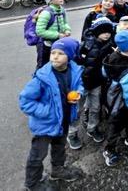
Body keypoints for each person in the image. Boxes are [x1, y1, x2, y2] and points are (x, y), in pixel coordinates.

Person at [19, 37, 83, 190]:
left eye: (60, 53)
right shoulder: (42, 77)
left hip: (64, 119)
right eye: (53, 52)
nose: (54, 56)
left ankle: (58, 170)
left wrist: (78, 93)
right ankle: (32, 184)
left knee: (59, 147)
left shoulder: (75, 70)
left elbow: (80, 85)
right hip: (45, 124)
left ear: (70, 56)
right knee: (37, 155)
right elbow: (25, 101)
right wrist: (48, 111)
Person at [102, 30, 128, 167]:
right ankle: (109, 149)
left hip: (111, 96)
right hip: (123, 103)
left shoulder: (112, 56)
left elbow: (104, 72)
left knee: (117, 122)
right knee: (121, 123)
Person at [78, 17, 115, 145]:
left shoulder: (110, 45)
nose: (106, 34)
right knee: (78, 109)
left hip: (97, 82)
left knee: (96, 107)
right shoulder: (87, 44)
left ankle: (92, 128)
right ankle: (72, 133)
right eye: (103, 31)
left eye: (109, 32)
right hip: (82, 83)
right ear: (97, 31)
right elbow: (77, 60)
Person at [35, 0, 71, 69]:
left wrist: (67, 30)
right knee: (43, 66)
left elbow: (65, 23)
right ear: (50, 0)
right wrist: (58, 35)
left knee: (56, 64)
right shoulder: (46, 13)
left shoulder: (62, 10)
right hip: (46, 45)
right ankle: (39, 80)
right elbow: (39, 31)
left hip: (58, 43)